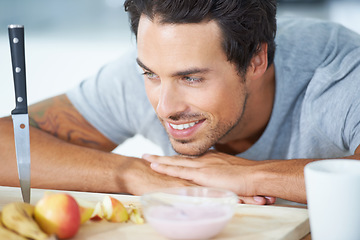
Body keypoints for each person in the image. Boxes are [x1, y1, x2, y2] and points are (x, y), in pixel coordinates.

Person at [1, 0, 360, 205]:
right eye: (152, 75)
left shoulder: (340, 71)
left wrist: (250, 176)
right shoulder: (141, 75)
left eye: (191, 78)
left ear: (255, 61)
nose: (165, 106)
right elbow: (6, 142)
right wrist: (132, 176)